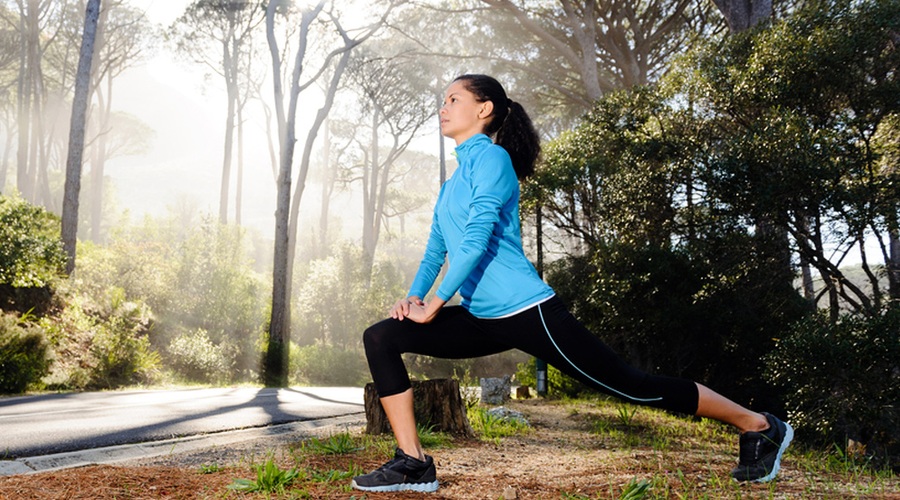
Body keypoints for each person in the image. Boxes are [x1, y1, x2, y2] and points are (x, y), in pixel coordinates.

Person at [350, 74, 793, 493]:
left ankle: (759, 424)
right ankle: (412, 462)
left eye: (453, 100)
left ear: (484, 109)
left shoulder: (493, 160)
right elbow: (436, 249)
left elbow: (477, 237)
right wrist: (414, 296)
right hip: (481, 316)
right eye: (443, 100)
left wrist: (436, 302)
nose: (442, 108)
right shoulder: (451, 183)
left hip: (527, 311)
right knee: (382, 336)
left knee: (630, 385)